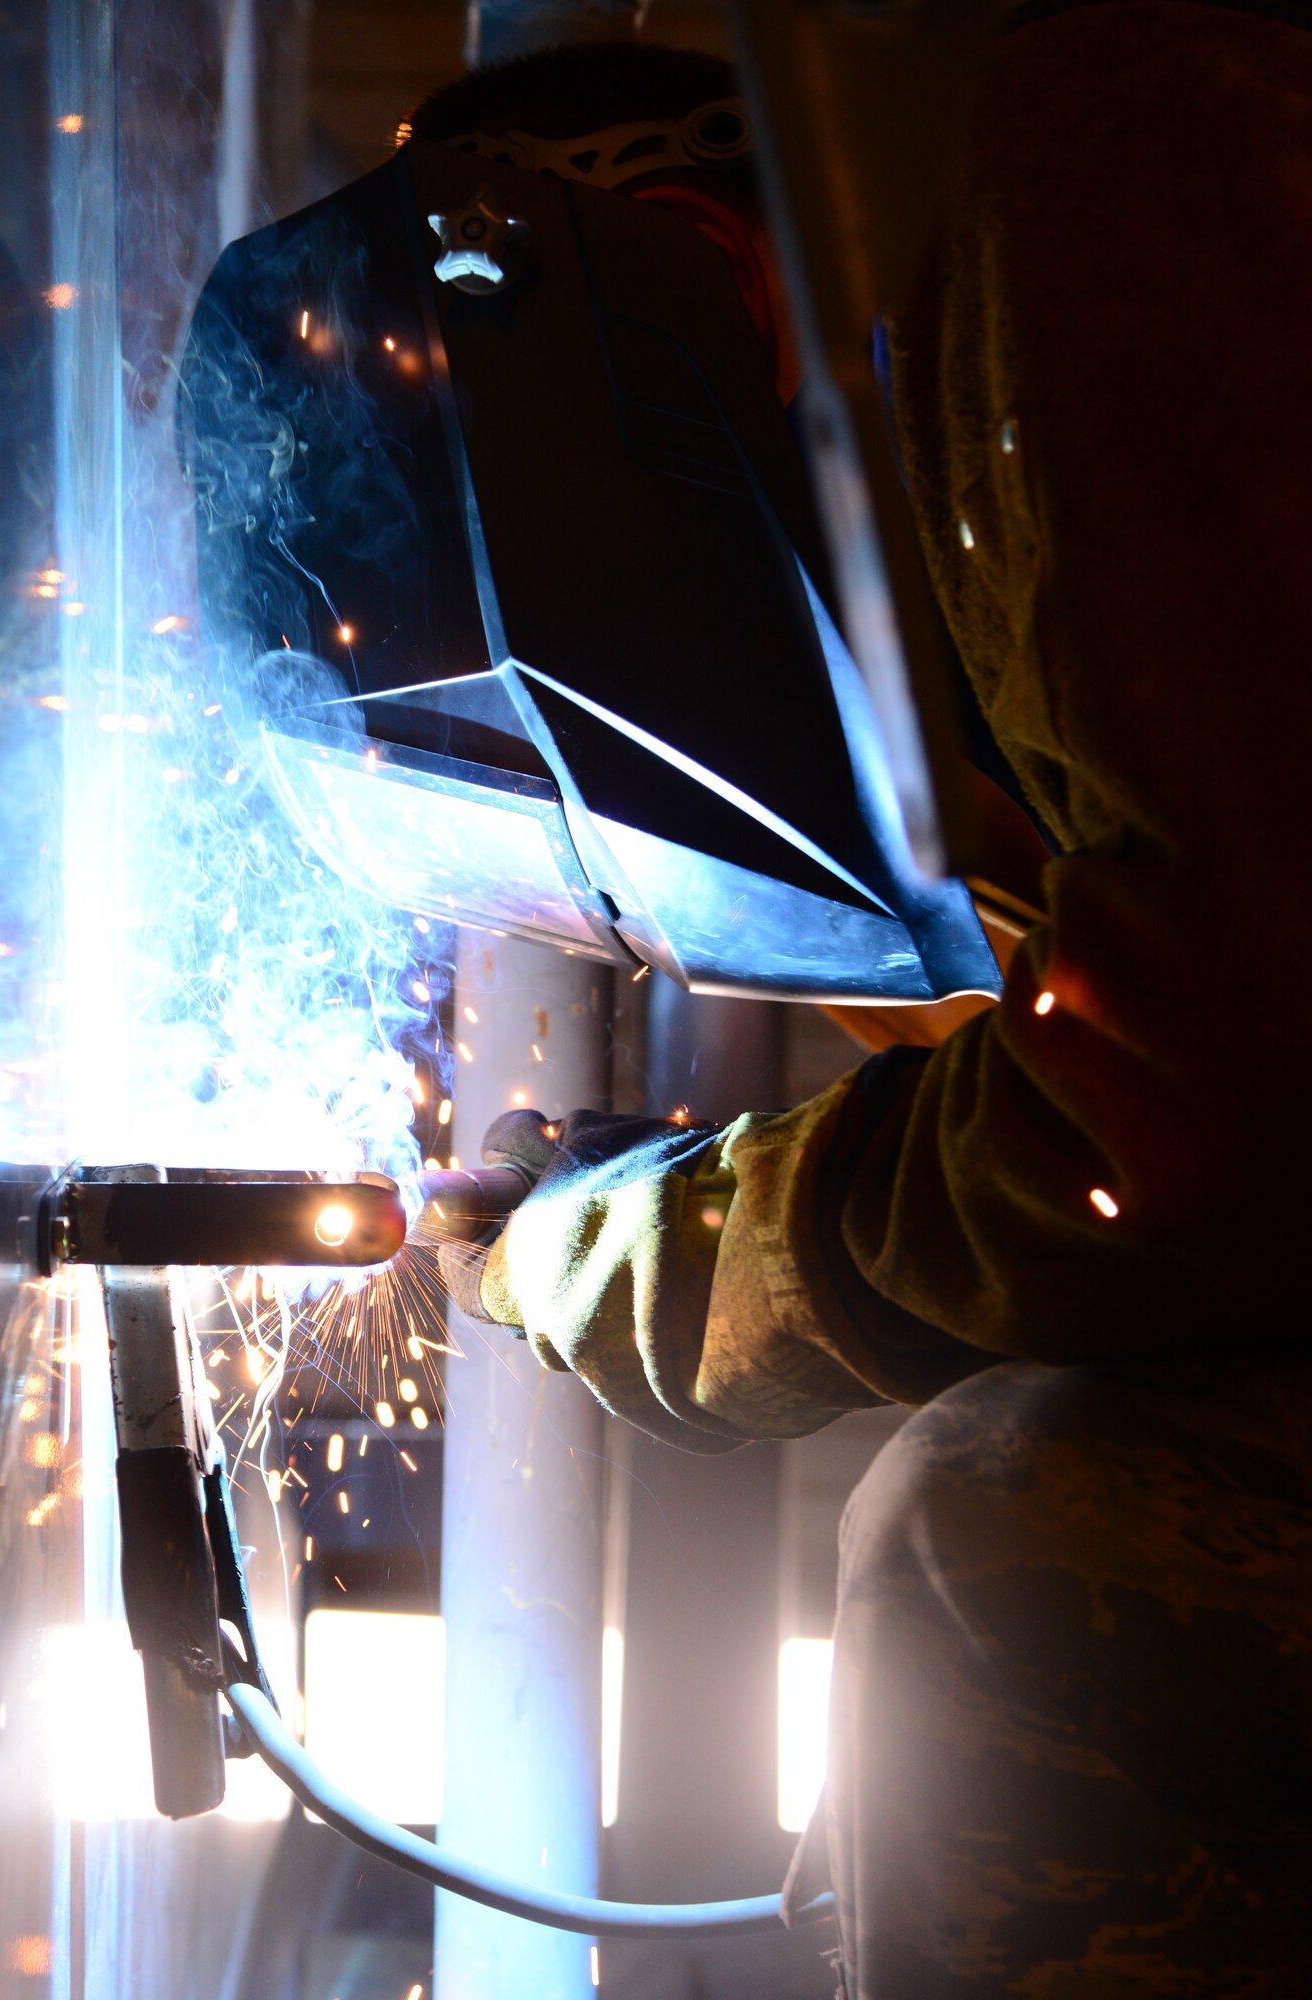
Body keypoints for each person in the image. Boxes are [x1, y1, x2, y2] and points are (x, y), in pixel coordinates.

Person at [429, 14, 1312, 1993]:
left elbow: (1172, 1128)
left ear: (708, 277)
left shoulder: (1102, 134)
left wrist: (638, 1256)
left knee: (1022, 1554)